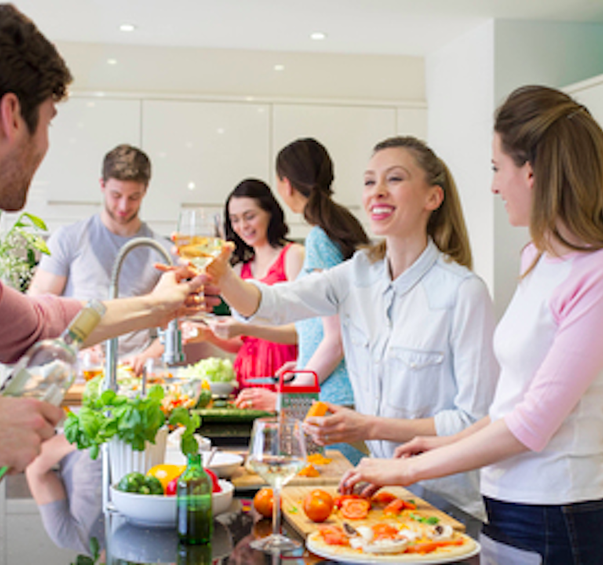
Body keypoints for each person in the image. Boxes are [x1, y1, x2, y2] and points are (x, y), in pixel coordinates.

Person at [0, 5, 213, 562]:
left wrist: (161, 306)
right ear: (13, 116)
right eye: (50, 121)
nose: (46, 146)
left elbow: (51, 320)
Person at [339, 86, 603, 564]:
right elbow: (515, 400)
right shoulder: (538, 257)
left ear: (532, 171)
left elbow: (532, 424)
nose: (492, 185)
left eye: (495, 168)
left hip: (558, 514)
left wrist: (403, 472)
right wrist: (443, 442)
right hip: (506, 504)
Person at [208, 136, 498, 519]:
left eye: (394, 179)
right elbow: (275, 304)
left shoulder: (463, 292)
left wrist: (368, 426)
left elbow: (473, 422)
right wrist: (223, 277)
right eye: (368, 181)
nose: (377, 191)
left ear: (433, 198)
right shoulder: (356, 276)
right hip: (379, 498)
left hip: (445, 505)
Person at [235, 138, 369, 464]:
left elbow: (335, 339)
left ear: (286, 184)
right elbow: (336, 328)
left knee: (315, 493)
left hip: (327, 398)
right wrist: (305, 359)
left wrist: (289, 393)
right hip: (334, 390)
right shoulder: (339, 228)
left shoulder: (320, 238)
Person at [28, 144, 172, 375]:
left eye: (133, 197)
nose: (124, 206)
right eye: (116, 195)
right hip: (74, 375)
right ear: (102, 185)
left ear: (145, 190)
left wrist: (147, 356)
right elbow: (36, 308)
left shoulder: (161, 251)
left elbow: (177, 322)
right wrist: (73, 345)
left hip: (133, 377)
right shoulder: (69, 239)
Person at [183, 179, 304, 389]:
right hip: (246, 383)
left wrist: (246, 327)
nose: (242, 226)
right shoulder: (239, 270)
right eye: (235, 220)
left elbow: (302, 332)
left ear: (270, 213)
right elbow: (242, 341)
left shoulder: (293, 256)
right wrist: (210, 335)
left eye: (250, 216)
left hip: (285, 378)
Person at [24, 434, 103, 554]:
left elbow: (35, 470)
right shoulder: (139, 542)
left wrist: (87, 434)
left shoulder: (70, 537)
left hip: (83, 421)